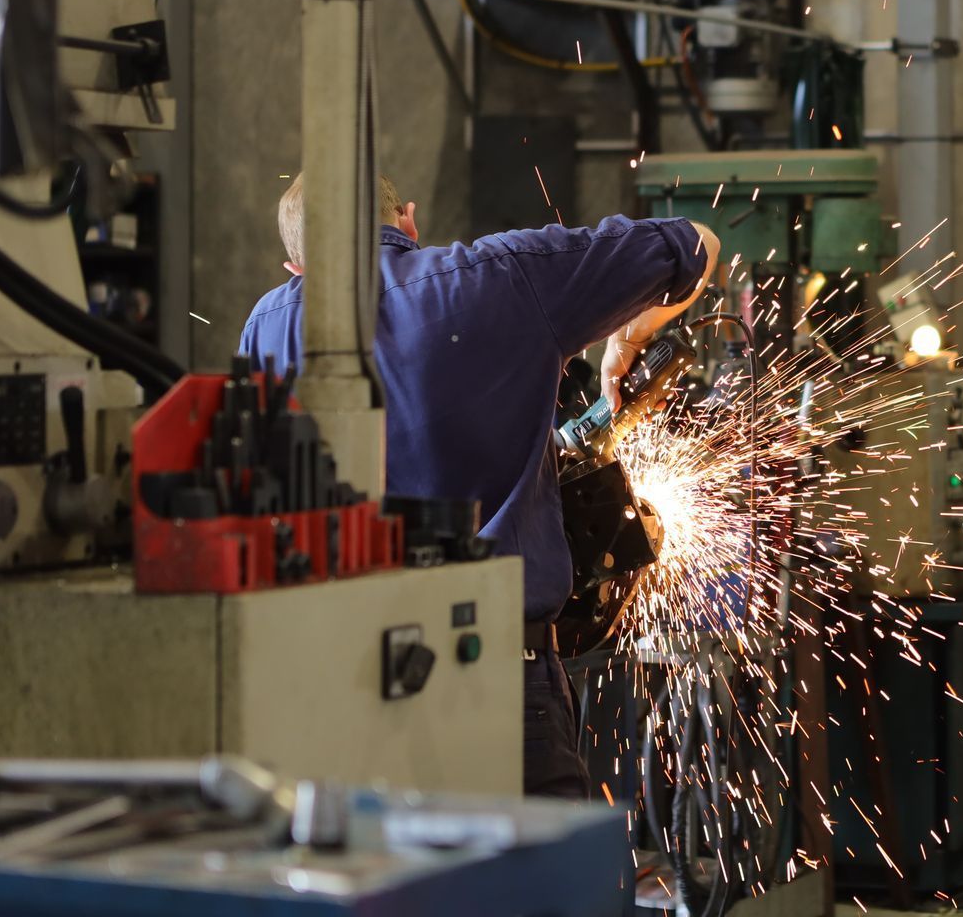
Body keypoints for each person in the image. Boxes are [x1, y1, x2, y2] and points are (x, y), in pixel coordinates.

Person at [239, 173, 719, 798]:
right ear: (408, 222)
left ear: (293, 264)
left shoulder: (263, 328)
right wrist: (624, 341)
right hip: (492, 677)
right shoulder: (500, 274)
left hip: (329, 689)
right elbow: (696, 245)